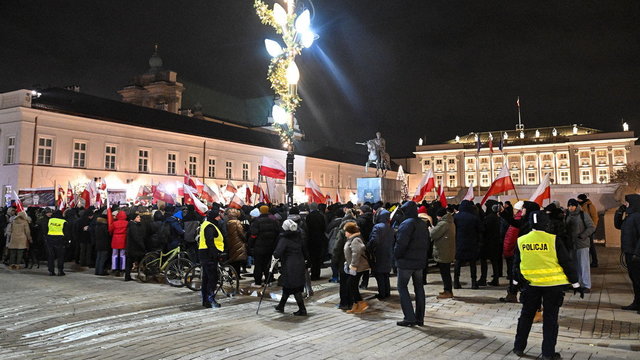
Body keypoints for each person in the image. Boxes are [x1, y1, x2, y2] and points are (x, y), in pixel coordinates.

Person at [512, 211, 583, 360]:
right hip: (553, 286)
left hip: (531, 285)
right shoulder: (553, 240)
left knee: (526, 316)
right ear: (546, 223)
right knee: (550, 319)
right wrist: (576, 283)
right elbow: (566, 262)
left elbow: (516, 265)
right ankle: (548, 353)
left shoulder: (522, 240)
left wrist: (515, 283)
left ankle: (518, 347)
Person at [394, 201, 429, 327]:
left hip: (406, 262)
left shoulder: (406, 224)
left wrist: (396, 255)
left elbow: (401, 244)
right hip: (419, 261)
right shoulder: (422, 223)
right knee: (419, 288)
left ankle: (409, 317)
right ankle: (420, 318)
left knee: (402, 288)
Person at [273, 219, 309, 316]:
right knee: (288, 286)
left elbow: (277, 253)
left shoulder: (284, 239)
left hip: (290, 265)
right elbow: (305, 250)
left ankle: (302, 309)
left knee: (294, 287)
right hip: (299, 263)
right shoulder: (299, 237)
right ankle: (281, 305)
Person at [614, 194, 640, 312]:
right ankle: (637, 302)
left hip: (636, 255)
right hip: (629, 252)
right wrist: (619, 212)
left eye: (627, 202)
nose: (625, 204)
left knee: (638, 280)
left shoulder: (638, 216)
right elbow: (618, 225)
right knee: (634, 279)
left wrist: (637, 253)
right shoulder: (630, 216)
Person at [565, 198, 595, 292]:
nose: (571, 207)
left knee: (584, 265)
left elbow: (591, 227)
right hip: (571, 244)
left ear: (576, 206)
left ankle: (586, 285)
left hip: (582, 243)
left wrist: (583, 235)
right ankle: (577, 283)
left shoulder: (583, 214)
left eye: (572, 205)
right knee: (575, 265)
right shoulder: (567, 215)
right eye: (569, 206)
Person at [454, 200, 483, 289]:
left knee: (458, 263)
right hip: (472, 243)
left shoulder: (456, 217)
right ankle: (474, 283)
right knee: (472, 264)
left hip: (459, 243)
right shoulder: (474, 217)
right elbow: (481, 229)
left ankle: (456, 282)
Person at [199, 209, 225, 308]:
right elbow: (210, 241)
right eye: (218, 217)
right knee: (212, 279)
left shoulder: (206, 224)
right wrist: (215, 254)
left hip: (204, 253)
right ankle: (210, 300)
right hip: (209, 255)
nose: (219, 218)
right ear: (214, 217)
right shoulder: (209, 226)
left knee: (206, 279)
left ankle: (206, 300)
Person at [249, 205, 280, 286]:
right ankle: (268, 280)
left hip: (259, 247)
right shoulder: (273, 220)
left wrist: (250, 244)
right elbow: (277, 232)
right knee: (268, 264)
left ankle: (258, 282)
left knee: (258, 265)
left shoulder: (257, 221)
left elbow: (253, 235)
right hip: (270, 247)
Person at [343, 222, 370, 314]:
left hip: (358, 267)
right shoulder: (351, 239)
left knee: (351, 284)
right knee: (352, 285)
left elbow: (356, 253)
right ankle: (356, 305)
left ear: (350, 231)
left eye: (346, 231)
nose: (345, 233)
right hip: (355, 266)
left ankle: (361, 303)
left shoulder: (355, 240)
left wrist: (353, 265)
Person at [368, 208, 394, 300]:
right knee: (386, 274)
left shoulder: (378, 227)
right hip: (388, 252)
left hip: (379, 253)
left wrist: (369, 247)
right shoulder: (390, 227)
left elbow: (374, 240)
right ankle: (387, 292)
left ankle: (382, 293)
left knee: (379, 274)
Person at [430, 207, 455, 299]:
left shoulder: (443, 224)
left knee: (445, 273)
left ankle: (448, 291)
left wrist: (431, 229)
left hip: (443, 251)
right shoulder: (450, 222)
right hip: (447, 250)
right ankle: (447, 290)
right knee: (446, 272)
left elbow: (433, 234)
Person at [306, 202, 327, 280]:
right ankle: (317, 274)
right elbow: (324, 227)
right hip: (319, 239)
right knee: (318, 258)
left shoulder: (309, 216)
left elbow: (307, 228)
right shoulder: (321, 216)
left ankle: (313, 274)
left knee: (312, 257)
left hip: (311, 239)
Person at [46, 210, 70, 276]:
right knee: (60, 256)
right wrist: (67, 241)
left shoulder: (50, 220)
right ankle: (60, 271)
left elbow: (46, 229)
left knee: (51, 256)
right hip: (60, 240)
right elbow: (66, 233)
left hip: (50, 239)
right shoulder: (63, 222)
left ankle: (51, 271)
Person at [224, 208, 248, 276]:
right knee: (237, 260)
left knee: (232, 259)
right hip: (238, 242)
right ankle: (237, 275)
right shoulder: (237, 222)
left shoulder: (227, 222)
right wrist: (245, 239)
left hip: (231, 242)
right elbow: (241, 233)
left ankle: (230, 273)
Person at [577, 194, 599, 267]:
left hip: (589, 229)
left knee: (591, 246)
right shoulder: (579, 205)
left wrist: (593, 228)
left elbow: (595, 217)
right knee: (587, 246)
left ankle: (595, 261)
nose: (578, 200)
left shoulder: (589, 205)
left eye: (579, 199)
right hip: (582, 229)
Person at [125, 213, 146, 281]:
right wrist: (142, 245)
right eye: (137, 217)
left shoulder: (132, 225)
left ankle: (128, 276)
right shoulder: (133, 226)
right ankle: (133, 276)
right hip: (134, 248)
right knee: (131, 262)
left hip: (132, 247)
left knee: (130, 262)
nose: (139, 218)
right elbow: (136, 237)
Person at [109, 210, 129, 276]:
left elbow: (110, 229)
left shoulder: (115, 223)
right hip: (123, 239)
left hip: (115, 239)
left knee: (114, 254)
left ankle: (114, 267)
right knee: (122, 255)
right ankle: (122, 268)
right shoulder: (127, 223)